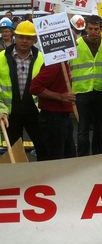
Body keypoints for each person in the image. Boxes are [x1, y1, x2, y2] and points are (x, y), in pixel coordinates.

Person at [0, 21, 45, 156]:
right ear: (15, 36)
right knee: (14, 153)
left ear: (34, 40)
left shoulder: (43, 59)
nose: (24, 41)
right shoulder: (1, 58)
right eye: (21, 37)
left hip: (36, 112)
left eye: (29, 38)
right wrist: (1, 110)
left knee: (44, 148)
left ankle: (45, 176)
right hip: (10, 113)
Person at [70, 15, 102, 156]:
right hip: (81, 91)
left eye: (96, 29)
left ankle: (98, 156)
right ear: (85, 28)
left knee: (100, 129)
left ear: (101, 29)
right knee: (82, 130)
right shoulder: (76, 44)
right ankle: (82, 157)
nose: (93, 32)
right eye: (90, 29)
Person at [29, 60, 76, 161]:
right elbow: (34, 87)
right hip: (53, 119)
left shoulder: (64, 63)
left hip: (63, 116)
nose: (76, 44)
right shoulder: (54, 65)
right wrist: (60, 96)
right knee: (56, 158)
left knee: (69, 155)